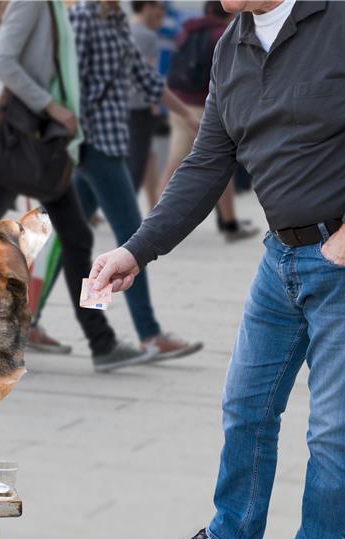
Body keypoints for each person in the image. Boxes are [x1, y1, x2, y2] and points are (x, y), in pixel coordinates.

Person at [89, 0, 345, 539]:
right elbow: (208, 162)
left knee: (335, 433)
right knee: (246, 409)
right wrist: (136, 250)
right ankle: (229, 536)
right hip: (281, 257)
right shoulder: (232, 43)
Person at [0, 0, 154, 372]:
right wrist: (52, 107)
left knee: (75, 237)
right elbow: (3, 61)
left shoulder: (54, 6)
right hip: (27, 139)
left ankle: (101, 339)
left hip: (44, 142)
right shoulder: (35, 2)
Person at [68, 0, 203, 363]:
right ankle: (149, 334)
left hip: (108, 143)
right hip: (94, 146)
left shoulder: (115, 19)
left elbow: (145, 80)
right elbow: (70, 78)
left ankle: (29, 322)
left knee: (70, 238)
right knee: (132, 240)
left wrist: (187, 116)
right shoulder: (83, 16)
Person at [158, 1, 257, 243]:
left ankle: (156, 220)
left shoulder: (187, 30)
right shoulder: (222, 35)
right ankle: (229, 223)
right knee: (218, 164)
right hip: (204, 106)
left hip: (180, 102)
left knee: (176, 163)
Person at [127, 0, 165, 204]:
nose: (161, 12)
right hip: (139, 107)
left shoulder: (124, 27)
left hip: (118, 105)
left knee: (147, 156)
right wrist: (154, 103)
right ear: (147, 6)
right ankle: (126, 210)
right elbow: (149, 73)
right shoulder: (148, 36)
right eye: (159, 6)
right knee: (136, 163)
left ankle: (153, 203)